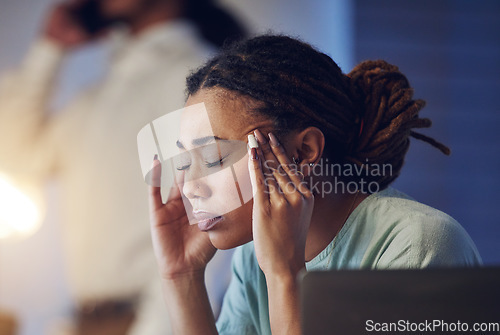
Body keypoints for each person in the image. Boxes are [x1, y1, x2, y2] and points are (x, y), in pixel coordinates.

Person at [146, 35, 482, 335]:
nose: (191, 188)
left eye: (215, 159)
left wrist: (285, 276)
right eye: (186, 163)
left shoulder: (420, 246)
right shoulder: (254, 260)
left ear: (304, 152)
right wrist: (182, 277)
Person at [0, 0, 245, 334]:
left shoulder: (191, 76)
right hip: (85, 320)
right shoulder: (99, 95)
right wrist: (49, 49)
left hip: (148, 321)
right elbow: (14, 154)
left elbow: (211, 219)